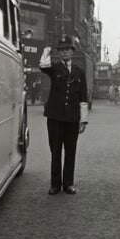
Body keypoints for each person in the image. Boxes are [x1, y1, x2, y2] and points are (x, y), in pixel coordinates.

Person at [39, 35, 89, 195]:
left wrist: (83, 120)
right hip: (55, 117)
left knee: (70, 151)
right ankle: (55, 184)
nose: (64, 52)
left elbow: (83, 97)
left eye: (67, 49)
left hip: (72, 119)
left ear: (72, 51)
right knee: (55, 151)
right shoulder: (53, 68)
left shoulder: (79, 72)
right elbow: (42, 65)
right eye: (61, 50)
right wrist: (48, 49)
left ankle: (68, 184)